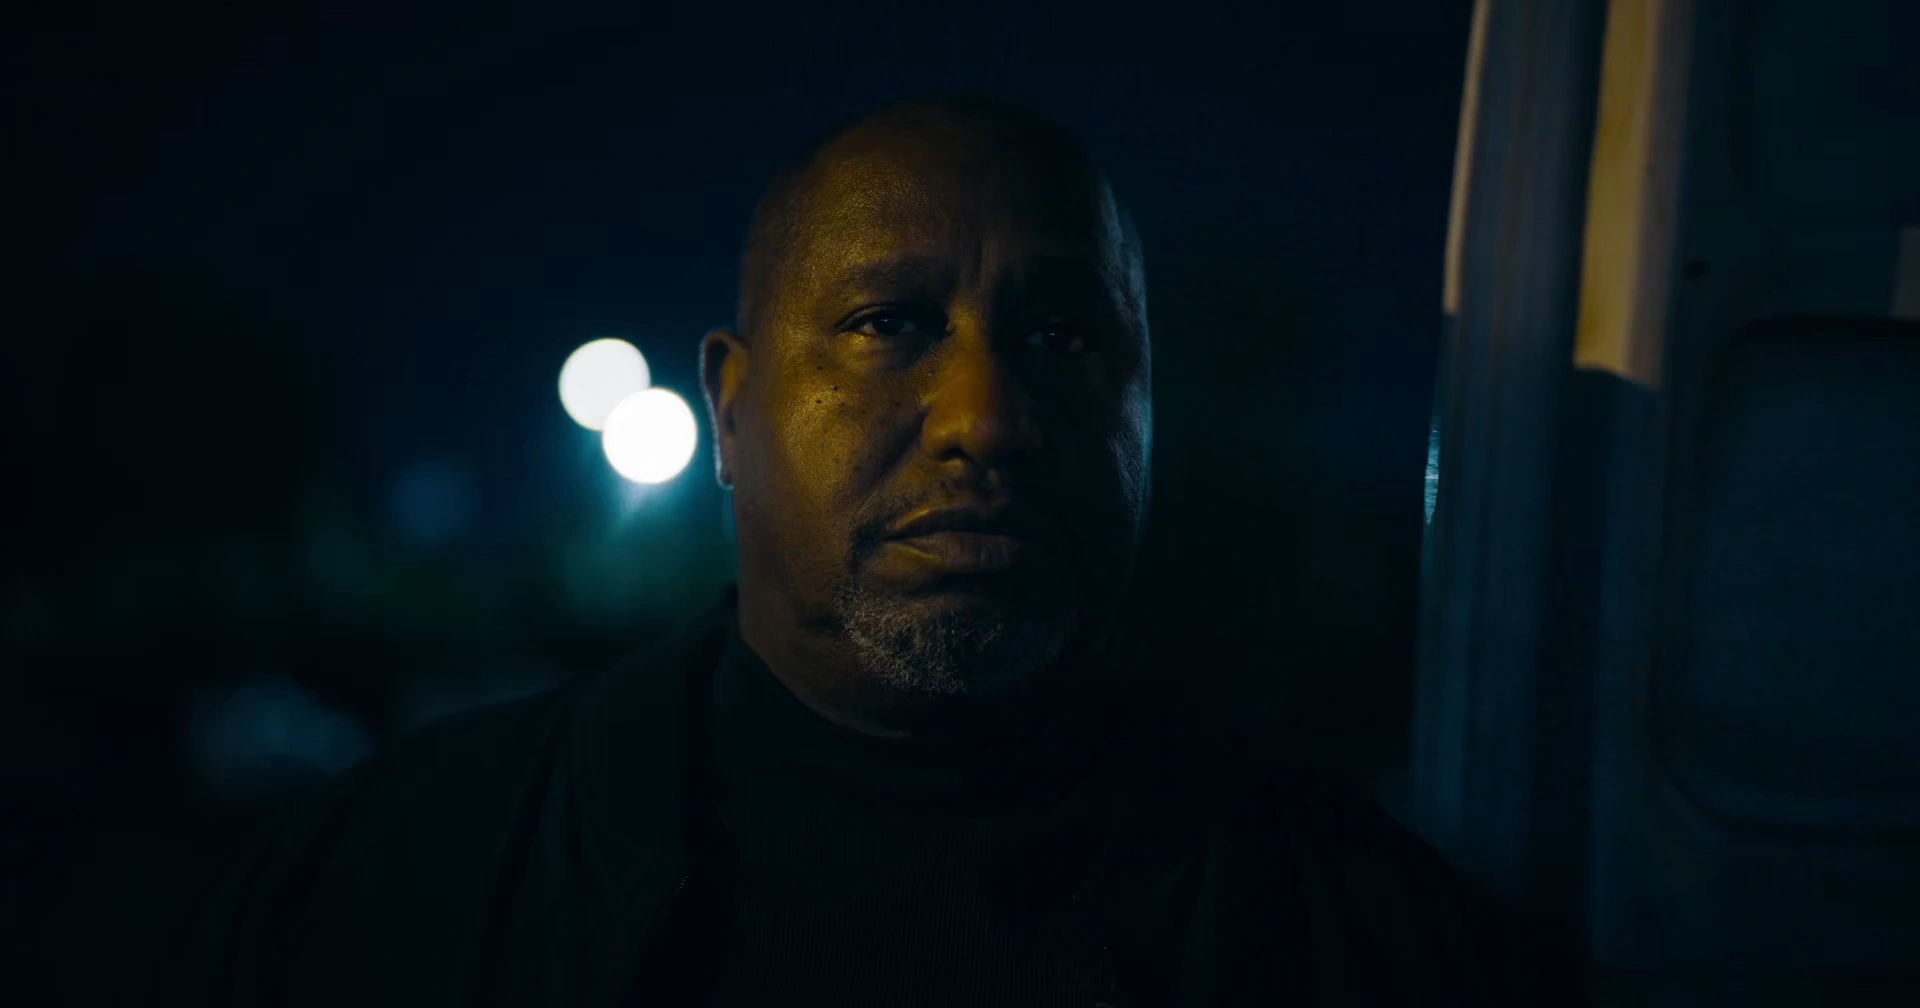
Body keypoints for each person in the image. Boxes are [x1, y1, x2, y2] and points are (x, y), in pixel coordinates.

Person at [157, 94, 1584, 1007]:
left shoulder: (1373, 940)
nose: (987, 420)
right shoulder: (391, 889)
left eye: (1063, 336)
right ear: (731, 408)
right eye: (890, 325)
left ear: (1149, 411)